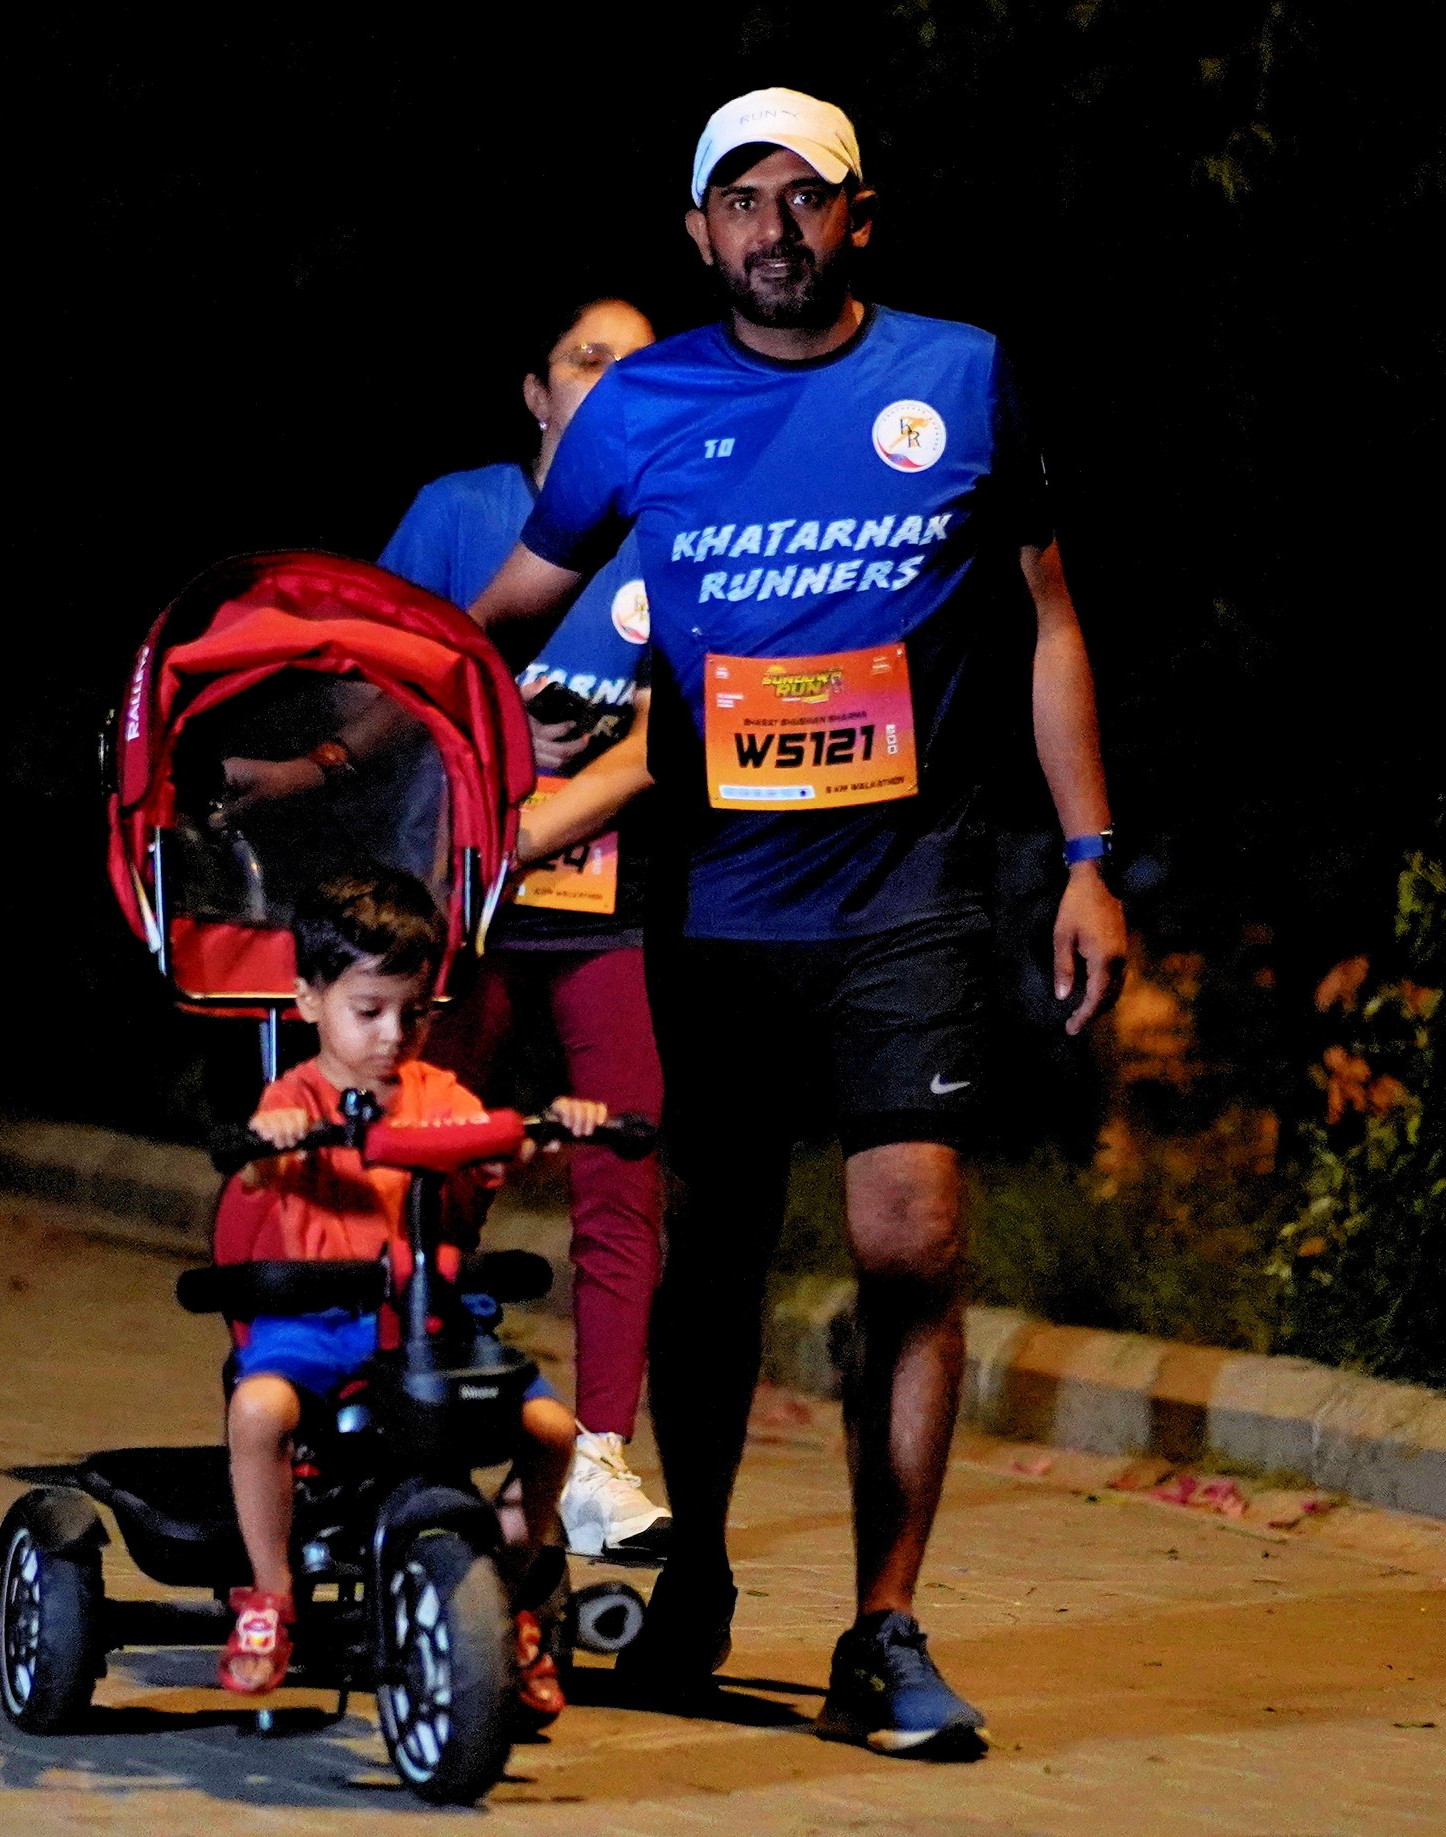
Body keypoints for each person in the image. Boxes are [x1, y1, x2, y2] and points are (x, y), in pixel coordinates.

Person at [466, 88, 1127, 1757]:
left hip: (907, 892)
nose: (776, 227)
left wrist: (1089, 855)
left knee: (912, 1244)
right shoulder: (641, 406)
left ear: (858, 215)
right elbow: (509, 611)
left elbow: (1050, 618)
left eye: (805, 197)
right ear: (700, 232)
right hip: (712, 909)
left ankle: (883, 1625)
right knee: (712, 1263)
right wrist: (381, 730)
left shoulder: (960, 375)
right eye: (742, 201)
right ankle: (692, 1578)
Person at [376, 297, 673, 1560]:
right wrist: (493, 763)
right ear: (537, 394)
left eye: (639, 366)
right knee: (432, 1156)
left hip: (604, 909)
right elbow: (380, 691)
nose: (611, 381)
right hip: (461, 907)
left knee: (622, 1166)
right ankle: (412, 1413)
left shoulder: (673, 530)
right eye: (585, 359)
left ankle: (598, 1457)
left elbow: (663, 741)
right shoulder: (458, 513)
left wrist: (542, 817)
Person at [211, 867, 600, 1722]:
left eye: (413, 1013)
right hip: (320, 1319)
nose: (393, 1035)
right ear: (309, 1000)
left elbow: (499, 1150)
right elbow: (262, 1170)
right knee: (260, 1409)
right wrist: (272, 1139)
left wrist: (552, 1132)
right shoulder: (299, 1096)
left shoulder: (441, 1096)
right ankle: (269, 1595)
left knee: (548, 1427)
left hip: (431, 1320)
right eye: (369, 1011)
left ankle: (506, 1593)